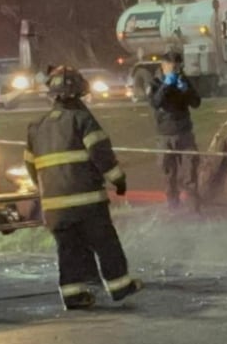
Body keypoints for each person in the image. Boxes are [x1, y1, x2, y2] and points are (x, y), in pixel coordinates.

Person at [24, 66, 142, 310]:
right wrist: (118, 180)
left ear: (53, 95)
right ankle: (120, 286)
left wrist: (46, 189)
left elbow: (31, 165)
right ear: (79, 94)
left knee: (69, 250)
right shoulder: (82, 120)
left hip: (54, 206)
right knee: (106, 243)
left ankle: (73, 295)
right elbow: (101, 154)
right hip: (87, 202)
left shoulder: (36, 126)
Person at [149, 51, 202, 211]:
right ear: (163, 66)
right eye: (171, 68)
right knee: (168, 174)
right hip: (165, 135)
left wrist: (186, 89)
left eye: (177, 68)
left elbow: (196, 103)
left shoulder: (183, 80)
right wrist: (166, 86)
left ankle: (193, 208)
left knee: (190, 171)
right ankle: (173, 207)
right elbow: (155, 103)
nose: (175, 71)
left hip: (185, 133)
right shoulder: (155, 82)